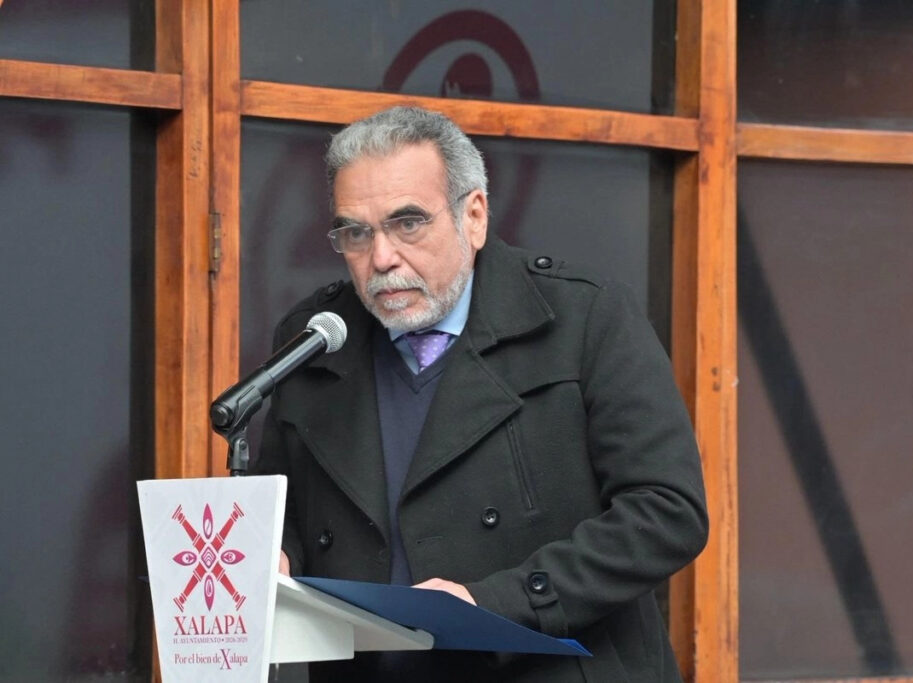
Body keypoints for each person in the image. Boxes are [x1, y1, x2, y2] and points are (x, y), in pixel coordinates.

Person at [254, 106, 708, 682]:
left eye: (408, 223)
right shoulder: (316, 337)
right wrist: (274, 555)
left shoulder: (584, 317)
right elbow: (289, 511)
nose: (381, 258)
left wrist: (497, 603)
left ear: (473, 216)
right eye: (356, 233)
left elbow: (667, 512)